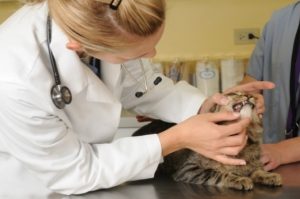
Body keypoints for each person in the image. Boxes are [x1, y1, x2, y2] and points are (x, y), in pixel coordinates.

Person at [0, 0, 274, 196]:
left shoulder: (107, 17)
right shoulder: (16, 76)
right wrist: (176, 138)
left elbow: (144, 87)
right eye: (137, 54)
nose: (152, 56)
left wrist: (210, 106)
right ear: (79, 46)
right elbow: (74, 172)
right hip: (36, 186)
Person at [241, 1, 300, 171]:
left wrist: (282, 152)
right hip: (272, 156)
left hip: (277, 154)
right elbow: (251, 84)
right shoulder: (279, 20)